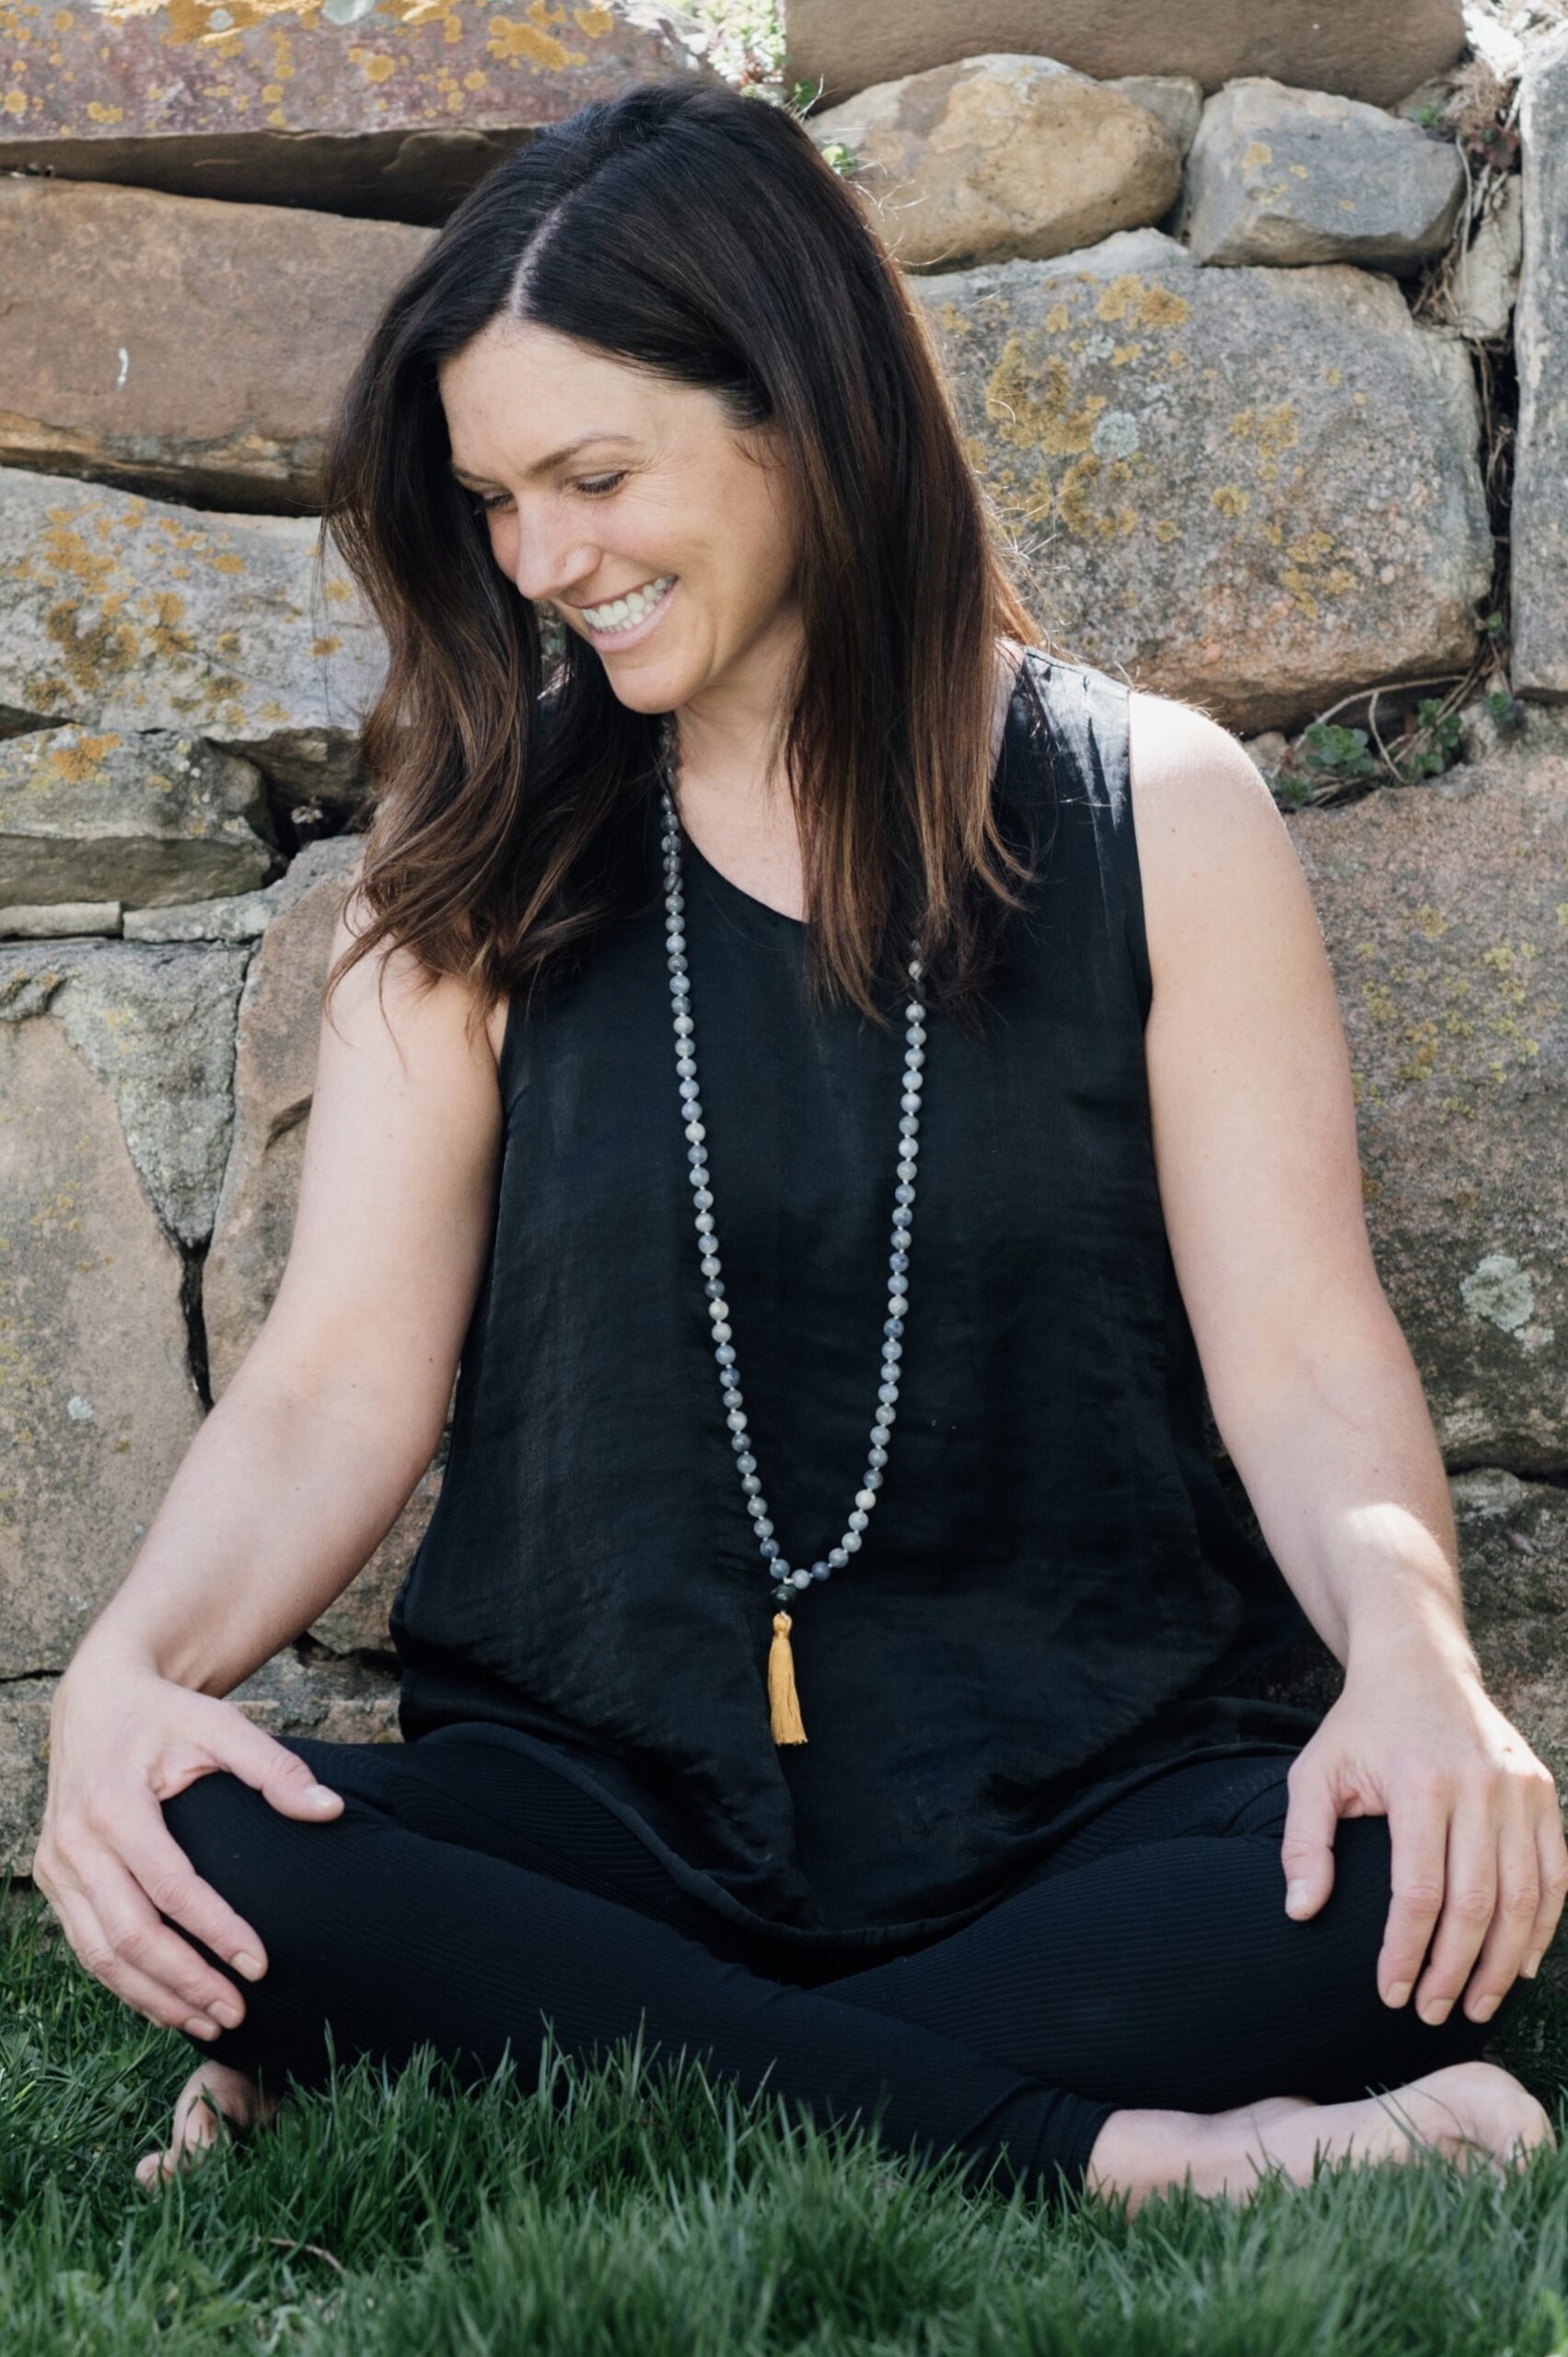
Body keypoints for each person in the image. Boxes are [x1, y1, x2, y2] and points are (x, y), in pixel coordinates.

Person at [32, 80, 1563, 2217]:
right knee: (206, 1846)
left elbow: (1302, 1343)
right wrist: (130, 1671)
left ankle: (507, 2060)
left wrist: (1418, 1661)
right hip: (597, 1810)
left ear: (806, 415)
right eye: (493, 499)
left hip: (1088, 1799)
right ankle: (1121, 2151)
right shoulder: (474, 862)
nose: (541, 561)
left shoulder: (1162, 813)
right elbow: (330, 1381)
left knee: (1410, 1872)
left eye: (591, 475)